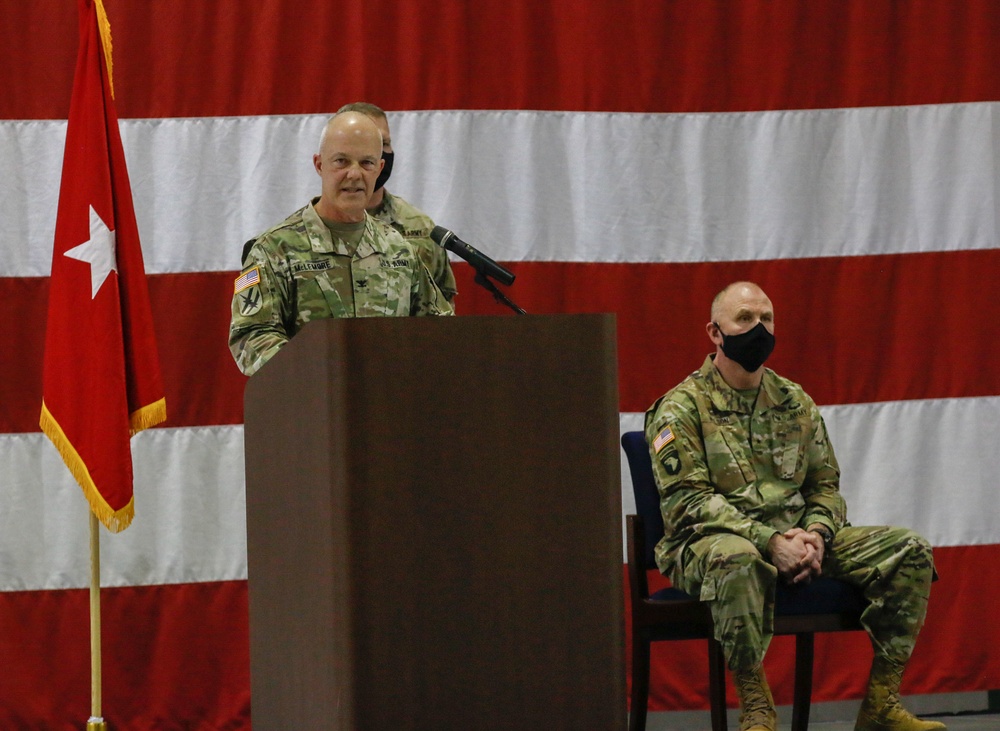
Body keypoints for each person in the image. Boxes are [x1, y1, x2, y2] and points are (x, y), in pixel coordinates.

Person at [644, 282, 944, 731]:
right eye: (744, 319)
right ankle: (758, 712)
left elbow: (825, 486)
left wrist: (817, 536)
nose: (758, 329)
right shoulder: (681, 407)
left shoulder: (793, 400)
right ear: (714, 332)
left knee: (910, 549)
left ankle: (882, 704)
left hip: (797, 538)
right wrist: (769, 542)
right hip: (711, 545)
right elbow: (690, 503)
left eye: (766, 319)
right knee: (738, 560)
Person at [229, 111, 453, 376]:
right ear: (319, 164)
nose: (354, 174)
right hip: (312, 407)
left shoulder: (400, 249)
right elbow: (252, 336)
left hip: (389, 407)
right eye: (341, 161)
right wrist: (322, 375)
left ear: (379, 169)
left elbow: (439, 332)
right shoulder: (274, 250)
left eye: (366, 163)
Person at [337, 101, 458, 303]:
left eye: (384, 144)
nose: (379, 153)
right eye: (370, 144)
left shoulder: (420, 228)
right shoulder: (305, 232)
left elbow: (442, 313)